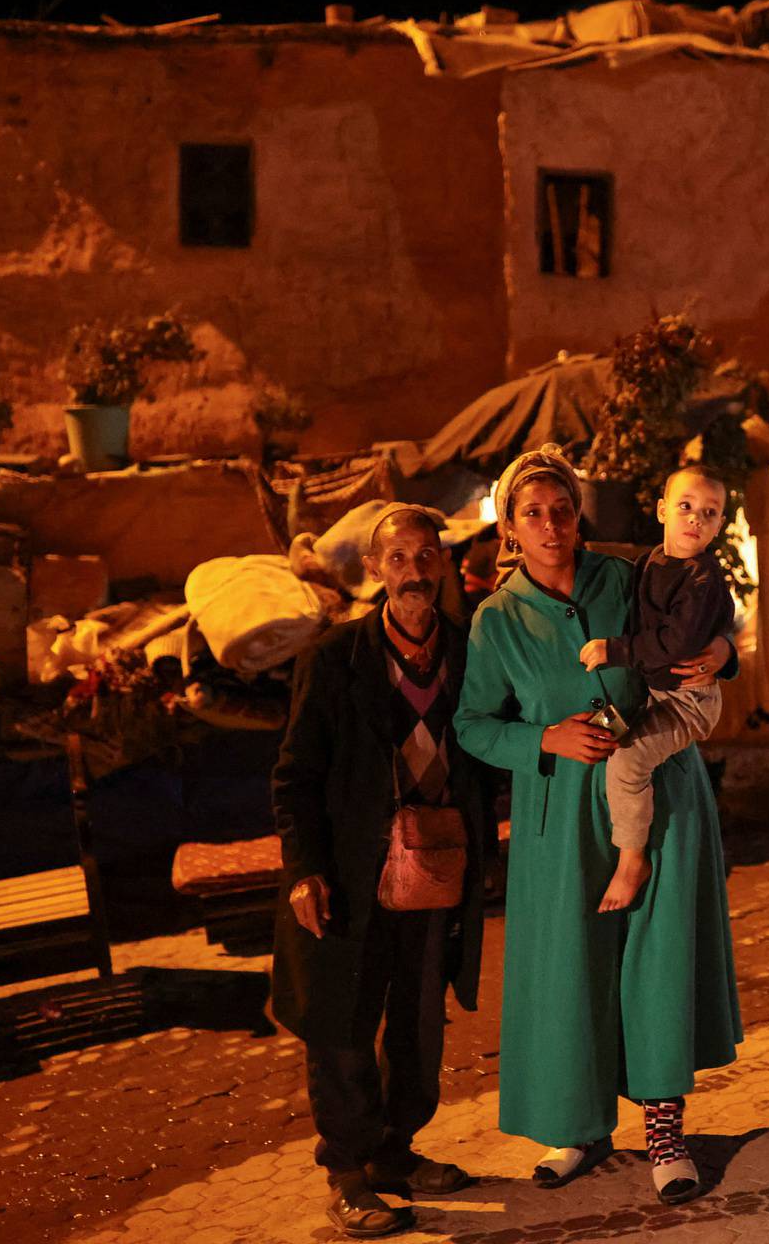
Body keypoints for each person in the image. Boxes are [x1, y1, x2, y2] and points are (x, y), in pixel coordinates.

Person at [455, 446, 742, 1208]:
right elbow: (473, 724)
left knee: (656, 962)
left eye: (562, 508)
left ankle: (664, 1132)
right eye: (532, 513)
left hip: (658, 798)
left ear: (579, 513)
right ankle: (578, 1126)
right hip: (557, 818)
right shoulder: (496, 619)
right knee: (568, 974)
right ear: (509, 527)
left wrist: (725, 652)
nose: (551, 525)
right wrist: (542, 739)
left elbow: (699, 618)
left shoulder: (629, 576)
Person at [270, 503, 488, 1239]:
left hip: (434, 874)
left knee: (420, 1022)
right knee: (343, 1022)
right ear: (374, 572)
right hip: (350, 878)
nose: (415, 572)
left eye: (427, 556)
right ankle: (351, 1173)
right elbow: (295, 776)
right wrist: (305, 872)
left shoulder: (466, 654)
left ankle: (397, 1151)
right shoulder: (333, 661)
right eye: (398, 559)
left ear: (445, 563)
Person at [577, 465, 734, 913]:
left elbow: (675, 643)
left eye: (709, 513)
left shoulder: (702, 579)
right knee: (602, 730)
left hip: (688, 701)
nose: (695, 520)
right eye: (686, 507)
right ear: (663, 510)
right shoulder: (650, 563)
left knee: (628, 761)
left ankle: (632, 861)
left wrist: (616, 650)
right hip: (654, 691)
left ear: (719, 525)